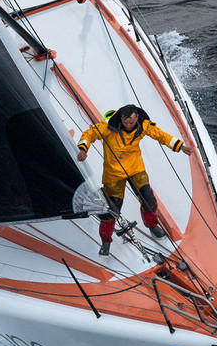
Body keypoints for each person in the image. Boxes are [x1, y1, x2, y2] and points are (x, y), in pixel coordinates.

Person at [76, 103, 191, 256]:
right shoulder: (108, 127)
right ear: (120, 119)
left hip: (136, 168)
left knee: (148, 197)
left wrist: (180, 146)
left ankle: (152, 225)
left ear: (137, 117)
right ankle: (105, 241)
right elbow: (89, 134)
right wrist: (83, 148)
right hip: (113, 173)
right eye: (125, 122)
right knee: (110, 209)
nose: (128, 125)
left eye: (131, 122)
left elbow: (161, 135)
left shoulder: (143, 125)